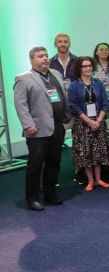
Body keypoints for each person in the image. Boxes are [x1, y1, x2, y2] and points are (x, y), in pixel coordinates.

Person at [14, 46, 74, 210]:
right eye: (40, 56)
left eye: (46, 55)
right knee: (35, 164)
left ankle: (50, 193)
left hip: (57, 127)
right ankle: (32, 198)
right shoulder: (23, 79)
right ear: (32, 60)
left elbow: (63, 97)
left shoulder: (56, 74)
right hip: (37, 130)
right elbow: (21, 105)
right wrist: (28, 125)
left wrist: (67, 120)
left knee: (54, 162)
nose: (45, 58)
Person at [67, 56, 109, 191]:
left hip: (99, 122)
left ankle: (99, 179)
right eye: (84, 66)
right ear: (79, 69)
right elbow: (73, 106)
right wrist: (88, 121)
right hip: (83, 124)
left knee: (98, 152)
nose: (88, 68)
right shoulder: (74, 86)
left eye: (89, 66)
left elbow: (105, 103)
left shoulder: (98, 84)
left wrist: (98, 120)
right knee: (86, 153)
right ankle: (90, 180)